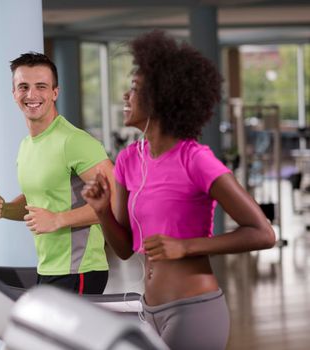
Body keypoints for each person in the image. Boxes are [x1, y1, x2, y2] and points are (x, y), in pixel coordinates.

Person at [81, 30, 276, 349]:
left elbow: (263, 233)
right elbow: (126, 248)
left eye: (135, 89)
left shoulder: (195, 160)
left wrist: (186, 247)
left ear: (160, 98)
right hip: (148, 311)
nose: (125, 97)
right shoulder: (129, 159)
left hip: (194, 309)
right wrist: (102, 211)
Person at [0, 52, 114, 295]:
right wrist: (5, 209)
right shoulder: (27, 145)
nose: (31, 95)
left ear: (55, 92)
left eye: (41, 86)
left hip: (80, 271)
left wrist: (58, 219)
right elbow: (41, 203)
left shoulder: (75, 142)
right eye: (23, 87)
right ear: (14, 94)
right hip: (48, 268)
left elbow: (117, 202)